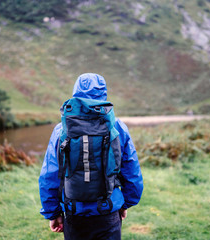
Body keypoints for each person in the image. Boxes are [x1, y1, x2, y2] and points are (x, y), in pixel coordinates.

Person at [39, 73, 143, 240]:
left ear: (75, 93)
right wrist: (125, 203)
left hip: (74, 213)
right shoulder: (118, 127)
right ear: (104, 93)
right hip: (108, 211)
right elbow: (132, 171)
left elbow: (49, 174)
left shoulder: (61, 130)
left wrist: (53, 213)